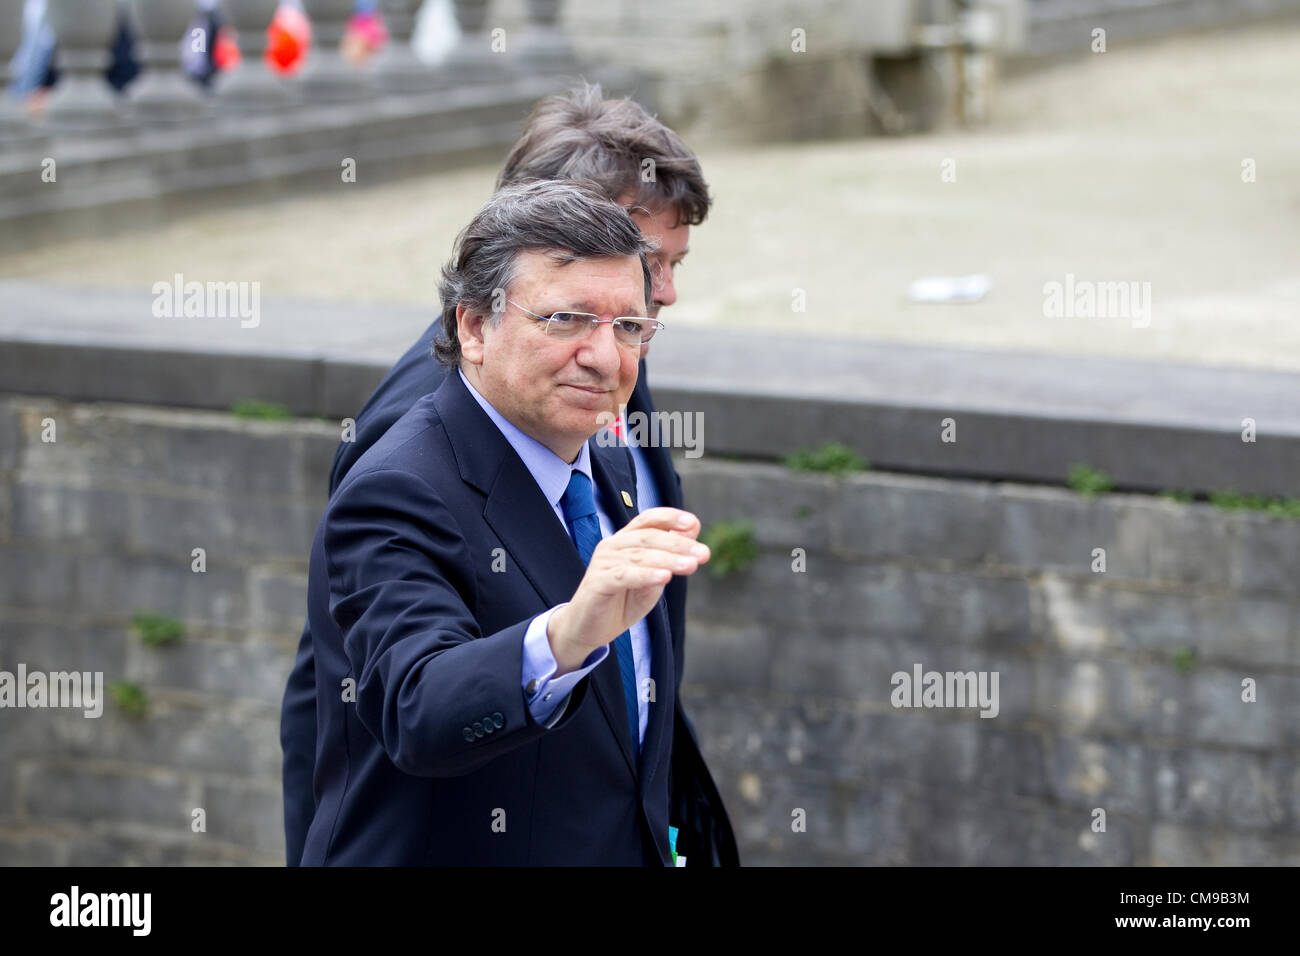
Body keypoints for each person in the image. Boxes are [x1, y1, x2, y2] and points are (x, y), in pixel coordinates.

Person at [281, 83, 738, 865]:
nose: (608, 345)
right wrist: (564, 636)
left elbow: (633, 683)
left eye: (631, 319)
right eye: (567, 315)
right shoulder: (408, 456)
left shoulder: (595, 393)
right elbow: (401, 703)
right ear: (476, 324)